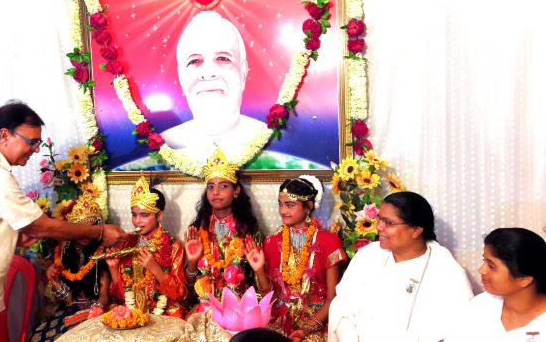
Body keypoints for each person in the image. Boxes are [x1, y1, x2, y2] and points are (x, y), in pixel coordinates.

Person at [0, 100, 127, 342]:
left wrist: (14, 237)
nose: (36, 149)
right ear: (5, 135)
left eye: (38, 143)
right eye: (32, 142)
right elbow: (41, 226)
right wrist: (99, 232)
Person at [327, 191, 473, 342]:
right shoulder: (368, 256)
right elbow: (342, 304)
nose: (379, 227)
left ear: (416, 230)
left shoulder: (445, 271)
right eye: (379, 219)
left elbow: (460, 330)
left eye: (388, 223)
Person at [246, 176, 346, 341]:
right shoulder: (271, 242)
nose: (283, 211)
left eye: (290, 205)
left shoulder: (329, 241)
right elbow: (269, 298)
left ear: (309, 206)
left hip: (317, 322)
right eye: (280, 204)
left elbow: (332, 298)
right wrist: (259, 271)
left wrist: (304, 330)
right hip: (279, 320)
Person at [160, 11, 267, 162]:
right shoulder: (167, 143)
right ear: (182, 77)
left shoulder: (266, 137)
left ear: (243, 72)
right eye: (194, 61)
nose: (208, 73)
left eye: (223, 58)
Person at [183, 146, 263, 311]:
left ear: (236, 191)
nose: (216, 192)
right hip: (205, 307)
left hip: (239, 308)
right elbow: (189, 292)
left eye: (224, 186)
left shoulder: (248, 231)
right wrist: (191, 262)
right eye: (211, 187)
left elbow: (260, 287)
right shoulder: (198, 230)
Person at [31, 194, 112, 341]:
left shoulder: (102, 251)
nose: (86, 233)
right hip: (70, 309)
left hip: (97, 310)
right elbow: (69, 299)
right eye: (81, 228)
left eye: (91, 228)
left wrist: (97, 309)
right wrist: (54, 280)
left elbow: (104, 293)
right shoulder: (62, 253)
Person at [105, 175, 188, 318]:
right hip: (133, 311)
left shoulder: (173, 246)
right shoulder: (127, 243)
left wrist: (155, 269)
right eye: (134, 214)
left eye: (144, 215)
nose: (137, 221)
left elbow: (180, 294)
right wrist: (113, 268)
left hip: (163, 312)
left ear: (159, 216)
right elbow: (121, 295)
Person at [446, 227, 546, 341]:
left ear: (524, 279)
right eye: (484, 261)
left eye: (491, 266)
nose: (481, 270)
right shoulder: (481, 306)